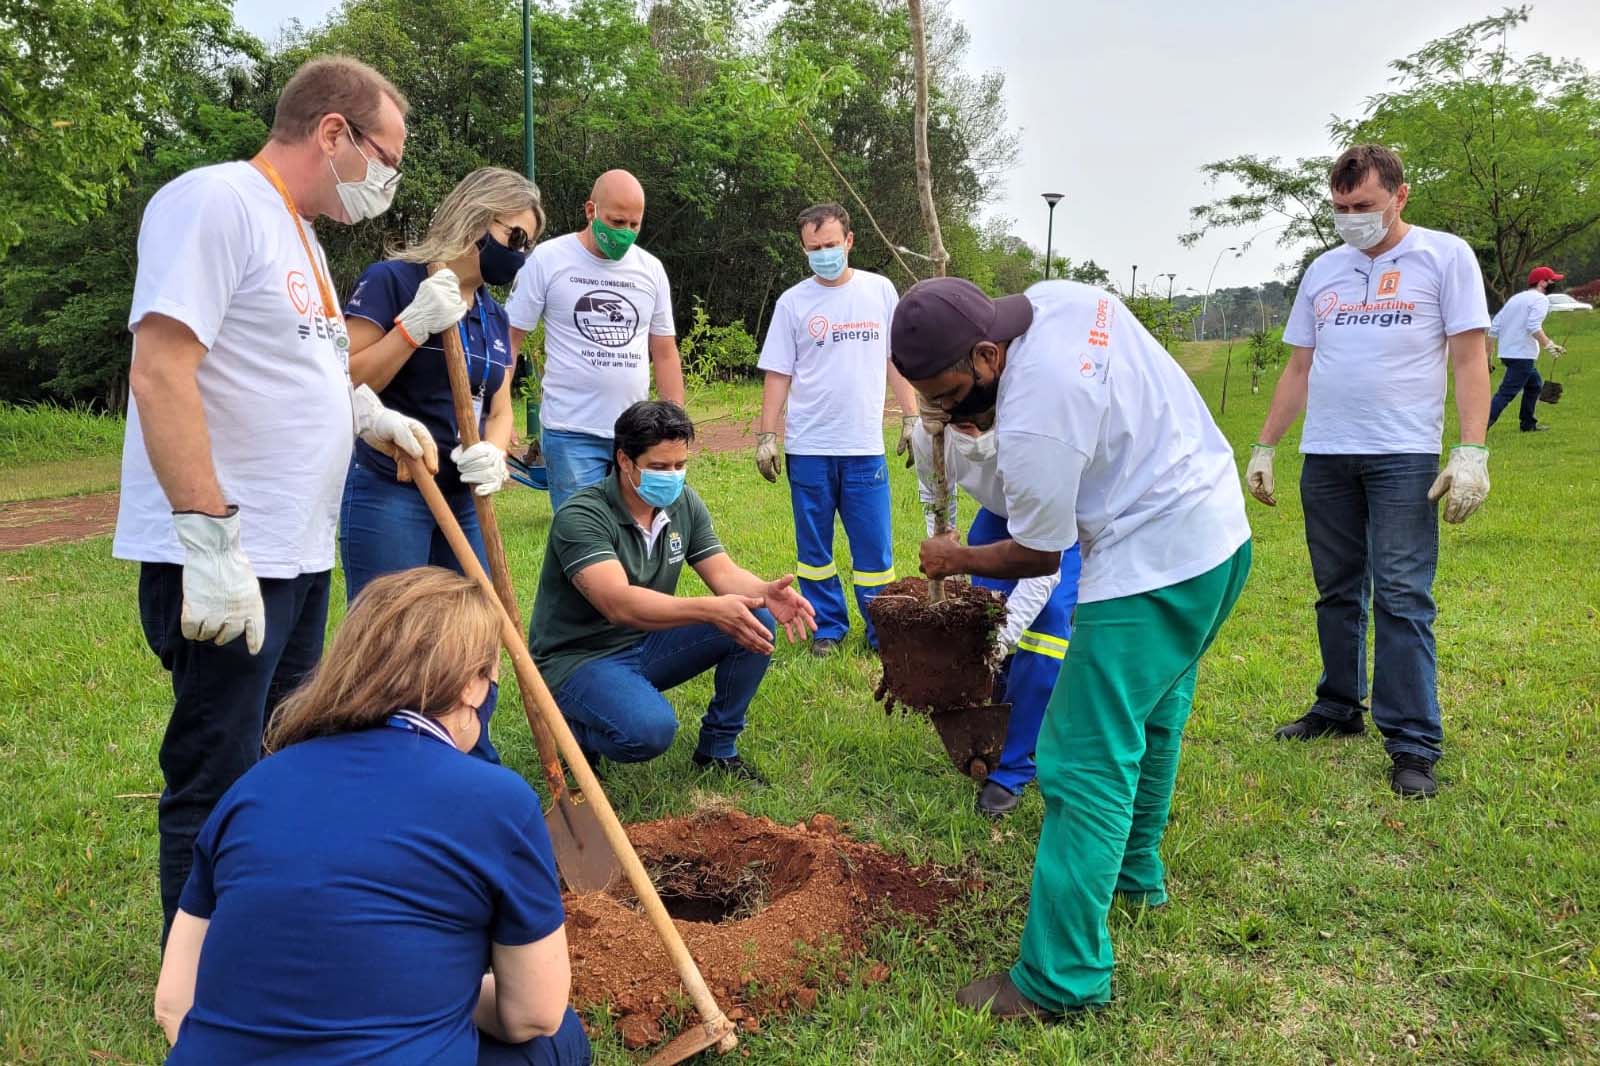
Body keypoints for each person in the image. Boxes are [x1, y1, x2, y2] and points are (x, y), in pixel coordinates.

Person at [113, 55, 439, 944]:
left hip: (298, 550)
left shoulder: (301, 235)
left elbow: (310, 371)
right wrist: (210, 540)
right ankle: (198, 977)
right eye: (386, 156)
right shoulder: (215, 201)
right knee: (214, 763)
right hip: (230, 552)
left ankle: (258, 924)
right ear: (333, 132)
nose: (387, 180)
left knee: (280, 754)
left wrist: (370, 415)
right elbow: (161, 369)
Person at [891, 275, 1252, 1019]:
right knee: (1150, 716)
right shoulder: (1055, 299)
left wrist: (953, 558)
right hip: (1218, 535)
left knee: (1082, 761)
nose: (941, 409)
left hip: (1155, 560)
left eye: (947, 393)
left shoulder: (1036, 417)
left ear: (989, 357)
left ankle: (1062, 980)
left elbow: (1039, 553)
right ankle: (1133, 874)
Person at [153, 568, 590, 1066]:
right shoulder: (499, 801)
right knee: (560, 1038)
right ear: (472, 686)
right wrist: (441, 991)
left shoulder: (253, 786)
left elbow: (173, 1003)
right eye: (491, 677)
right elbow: (532, 1015)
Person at [1244, 145, 1491, 800]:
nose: (1351, 218)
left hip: (1403, 456)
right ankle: (1337, 706)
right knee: (1336, 588)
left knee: (1403, 594)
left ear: (1400, 196)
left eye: (1364, 207)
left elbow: (1470, 359)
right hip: (1326, 454)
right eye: (1341, 208)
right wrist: (1265, 445)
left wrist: (1471, 451)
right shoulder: (1324, 271)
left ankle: (1412, 742)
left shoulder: (1445, 258)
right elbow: (1299, 367)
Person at [529, 400, 816, 782]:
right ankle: (569, 730)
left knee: (756, 618)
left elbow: (724, 572)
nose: (673, 476)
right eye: (660, 467)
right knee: (648, 733)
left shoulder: (683, 503)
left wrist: (765, 592)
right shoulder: (582, 516)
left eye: (680, 465)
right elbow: (619, 604)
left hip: (645, 642)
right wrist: (710, 610)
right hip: (580, 657)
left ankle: (718, 749)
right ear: (624, 460)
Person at [341, 166, 545, 602]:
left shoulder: (495, 315)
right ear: (477, 217)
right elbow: (346, 379)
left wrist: (492, 449)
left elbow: (500, 406)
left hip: (463, 496)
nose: (520, 254)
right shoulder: (392, 281)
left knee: (471, 630)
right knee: (392, 635)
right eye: (516, 237)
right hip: (392, 486)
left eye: (528, 245)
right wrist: (411, 328)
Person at [754, 203, 920, 656]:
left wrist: (912, 416)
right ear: (804, 249)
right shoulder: (793, 302)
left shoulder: (880, 291)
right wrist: (767, 436)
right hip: (808, 447)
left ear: (848, 241)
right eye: (814, 248)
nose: (824, 254)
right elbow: (778, 373)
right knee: (814, 548)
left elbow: (895, 360)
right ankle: (827, 627)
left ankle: (881, 628)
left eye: (831, 245)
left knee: (874, 552)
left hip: (864, 446)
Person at [910, 409, 1081, 817]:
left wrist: (1003, 640)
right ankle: (995, 728)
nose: (970, 433)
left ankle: (1015, 766)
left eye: (977, 423)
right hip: (999, 517)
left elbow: (1043, 574)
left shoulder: (1033, 430)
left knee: (1045, 627)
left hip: (1061, 524)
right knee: (984, 616)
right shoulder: (930, 432)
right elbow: (936, 494)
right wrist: (945, 548)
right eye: (960, 425)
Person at [505, 170, 684, 509]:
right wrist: (499, 412)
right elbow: (509, 341)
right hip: (571, 431)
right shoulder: (548, 260)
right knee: (583, 538)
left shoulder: (651, 270)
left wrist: (674, 424)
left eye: (634, 225)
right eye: (617, 222)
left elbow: (663, 352)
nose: (625, 234)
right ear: (591, 211)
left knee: (633, 534)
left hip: (635, 433)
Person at [1487, 266, 1566, 433]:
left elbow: (1494, 327)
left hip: (1508, 354)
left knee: (1535, 384)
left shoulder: (1516, 298)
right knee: (1506, 393)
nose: (1554, 283)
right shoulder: (1540, 300)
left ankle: (1528, 424)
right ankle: (1480, 427)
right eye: (1552, 280)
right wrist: (1549, 345)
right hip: (1522, 355)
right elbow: (1533, 326)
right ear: (1542, 282)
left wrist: (1489, 355)